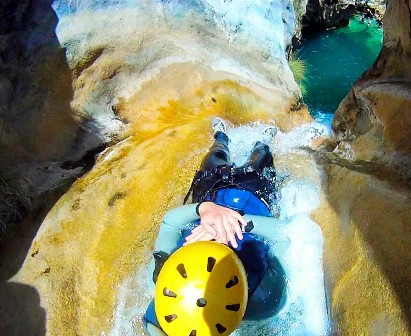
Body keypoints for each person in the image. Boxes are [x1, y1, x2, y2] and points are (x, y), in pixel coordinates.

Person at [143, 118, 287, 336]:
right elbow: (287, 234)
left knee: (216, 156)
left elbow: (170, 223)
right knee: (262, 158)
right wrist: (237, 223)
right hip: (256, 193)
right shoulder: (265, 298)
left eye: (206, 243)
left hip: (210, 190)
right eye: (218, 243)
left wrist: (204, 209)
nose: (215, 239)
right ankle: (264, 141)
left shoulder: (166, 281)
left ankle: (221, 136)